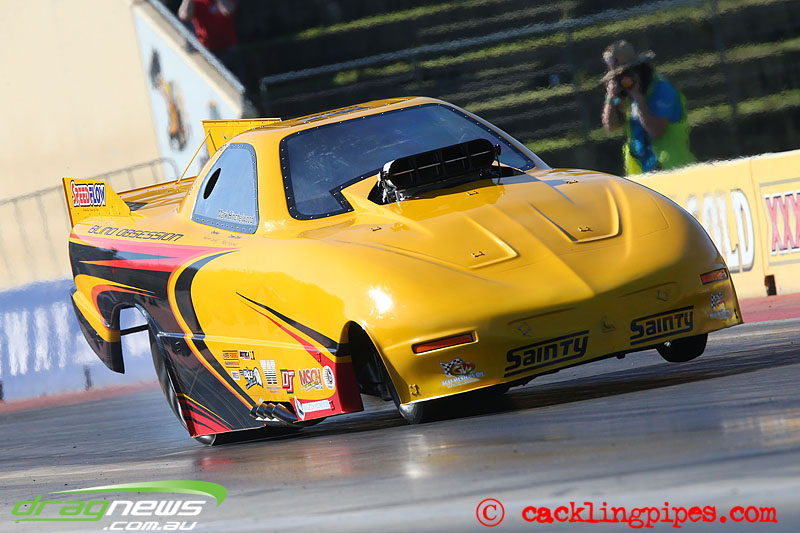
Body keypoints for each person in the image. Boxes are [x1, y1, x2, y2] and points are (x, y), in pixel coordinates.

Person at [601, 41, 695, 175]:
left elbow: (655, 131)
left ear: (638, 69)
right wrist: (610, 98)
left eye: (626, 73)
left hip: (671, 170)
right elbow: (611, 126)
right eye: (618, 76)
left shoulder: (662, 89)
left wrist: (638, 98)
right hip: (642, 175)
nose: (623, 79)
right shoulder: (626, 96)